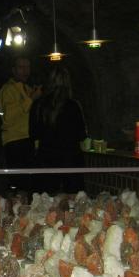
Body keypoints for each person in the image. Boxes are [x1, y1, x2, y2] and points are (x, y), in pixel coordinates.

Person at [28, 65, 87, 194]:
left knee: (47, 199)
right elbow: (81, 134)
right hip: (70, 159)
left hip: (46, 159)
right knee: (72, 199)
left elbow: (33, 133)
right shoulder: (73, 106)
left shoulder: (38, 105)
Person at [0, 56, 41, 191]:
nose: (25, 71)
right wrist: (31, 99)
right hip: (15, 141)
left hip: (28, 141)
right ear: (14, 70)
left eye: (27, 67)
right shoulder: (7, 90)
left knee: (30, 184)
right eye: (21, 67)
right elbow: (8, 117)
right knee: (18, 185)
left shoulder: (28, 88)